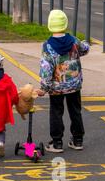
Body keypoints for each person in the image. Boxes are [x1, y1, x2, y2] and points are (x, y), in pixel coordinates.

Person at [38, 10, 90, 153]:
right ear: (65, 24)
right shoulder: (73, 40)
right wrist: (85, 43)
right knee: (75, 111)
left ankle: (57, 142)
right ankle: (78, 139)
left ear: (49, 25)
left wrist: (45, 87)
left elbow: (46, 68)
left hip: (56, 87)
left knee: (56, 112)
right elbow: (84, 49)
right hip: (74, 85)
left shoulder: (47, 46)